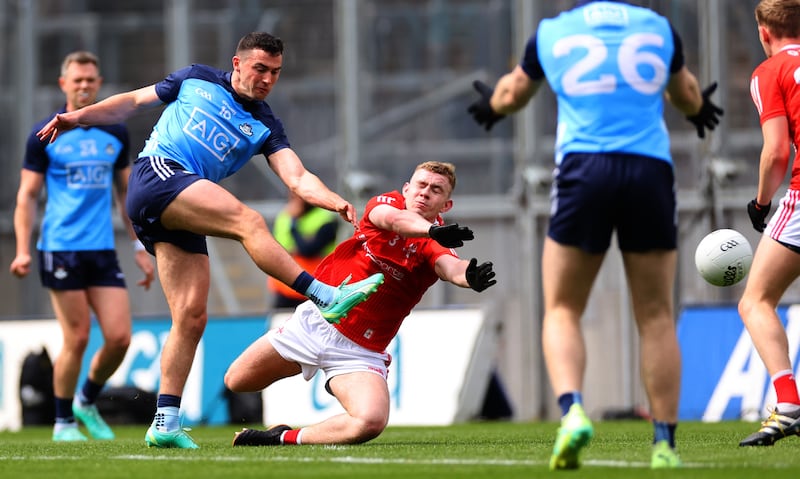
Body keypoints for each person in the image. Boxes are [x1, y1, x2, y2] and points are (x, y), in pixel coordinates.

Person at [35, 32, 384, 449]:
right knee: (248, 220)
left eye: (275, 72)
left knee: (191, 316)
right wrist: (79, 116)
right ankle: (324, 296)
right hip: (159, 175)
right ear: (237, 64)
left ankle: (164, 420)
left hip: (181, 203)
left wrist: (333, 201)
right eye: (260, 69)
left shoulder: (265, 123)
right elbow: (131, 102)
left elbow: (297, 177)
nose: (267, 79)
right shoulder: (196, 79)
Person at [467, 0, 723, 469]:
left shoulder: (552, 32)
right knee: (656, 314)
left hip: (585, 169)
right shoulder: (659, 28)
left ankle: (574, 412)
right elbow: (687, 96)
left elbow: (512, 94)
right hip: (649, 171)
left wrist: (492, 106)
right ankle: (664, 445)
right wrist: (699, 106)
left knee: (563, 307)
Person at [224, 161, 496, 447]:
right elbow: (393, 221)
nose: (425, 193)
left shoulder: (436, 242)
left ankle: (281, 437)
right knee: (237, 381)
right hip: (316, 322)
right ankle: (300, 363)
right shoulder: (386, 203)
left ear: (446, 205)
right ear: (407, 188)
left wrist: (470, 276)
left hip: (360, 351)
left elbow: (450, 267)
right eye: (421, 185)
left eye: (436, 190)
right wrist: (431, 231)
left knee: (369, 422)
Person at [9, 51, 156, 442]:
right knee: (76, 337)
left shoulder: (115, 132)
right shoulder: (45, 134)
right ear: (64, 85)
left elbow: (127, 194)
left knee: (120, 337)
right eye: (77, 81)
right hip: (60, 247)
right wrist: (23, 248)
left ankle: (85, 400)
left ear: (98, 82)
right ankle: (62, 423)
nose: (85, 86)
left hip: (102, 250)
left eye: (91, 80)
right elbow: (26, 196)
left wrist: (141, 247)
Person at [738, 0, 800, 448]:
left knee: (755, 301)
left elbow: (777, 151)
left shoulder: (770, 71)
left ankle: (789, 404)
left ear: (764, 32)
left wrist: (762, 203)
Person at [268, 191, 339, 310]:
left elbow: (308, 250)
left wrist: (294, 225)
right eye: (292, 196)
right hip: (285, 288)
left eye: (298, 197)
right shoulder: (284, 216)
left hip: (315, 288)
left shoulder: (325, 219)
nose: (294, 201)